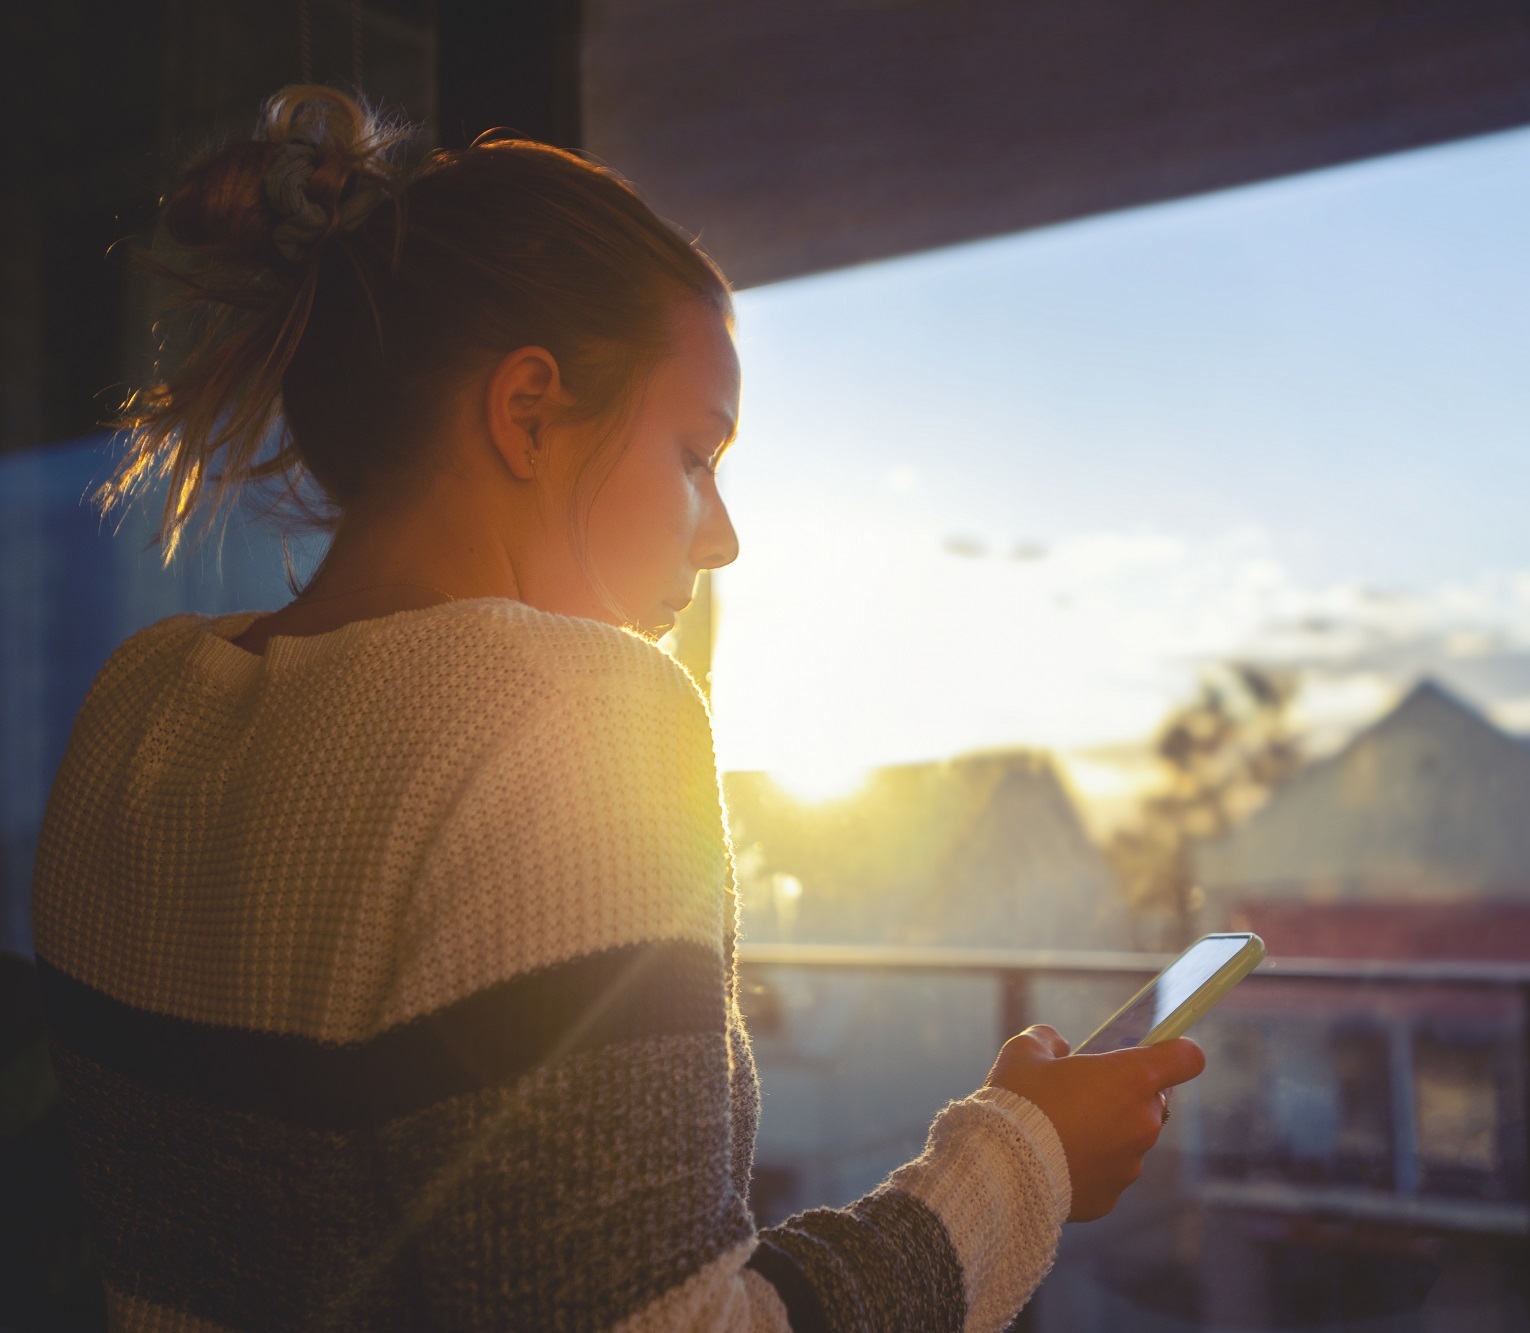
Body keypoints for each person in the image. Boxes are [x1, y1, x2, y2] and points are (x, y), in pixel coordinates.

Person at [32, 87, 1204, 1332]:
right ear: (528, 412)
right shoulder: (570, 718)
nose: (723, 535)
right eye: (694, 454)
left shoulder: (137, 709)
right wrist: (1022, 1164)